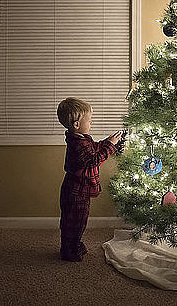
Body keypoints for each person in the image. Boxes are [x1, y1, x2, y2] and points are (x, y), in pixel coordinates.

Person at [56, 98, 122, 262]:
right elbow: (94, 159)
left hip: (79, 189)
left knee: (78, 221)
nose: (91, 123)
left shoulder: (82, 138)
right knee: (74, 222)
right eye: (90, 121)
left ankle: (74, 245)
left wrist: (108, 142)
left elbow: (95, 148)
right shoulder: (77, 143)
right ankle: (69, 251)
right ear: (77, 124)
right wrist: (111, 146)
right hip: (76, 191)